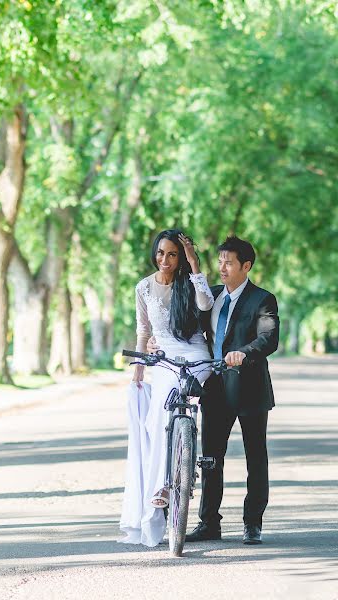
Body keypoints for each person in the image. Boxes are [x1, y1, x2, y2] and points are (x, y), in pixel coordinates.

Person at [148, 235, 279, 545]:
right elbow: (185, 328)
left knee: (255, 458)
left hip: (249, 389)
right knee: (209, 459)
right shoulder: (212, 295)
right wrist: (158, 341)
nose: (222, 267)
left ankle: (252, 523)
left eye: (229, 262)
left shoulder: (263, 299)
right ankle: (209, 523)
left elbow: (268, 338)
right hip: (215, 386)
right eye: (220, 261)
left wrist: (244, 352)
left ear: (245, 266)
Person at [119, 229, 214, 547]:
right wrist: (139, 369)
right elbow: (143, 328)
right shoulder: (143, 286)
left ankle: (188, 452)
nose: (165, 259)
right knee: (155, 420)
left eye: (172, 254)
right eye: (161, 253)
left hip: (195, 354)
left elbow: (205, 304)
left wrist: (195, 266)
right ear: (154, 253)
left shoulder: (189, 282)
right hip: (163, 358)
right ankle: (161, 486)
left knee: (184, 395)